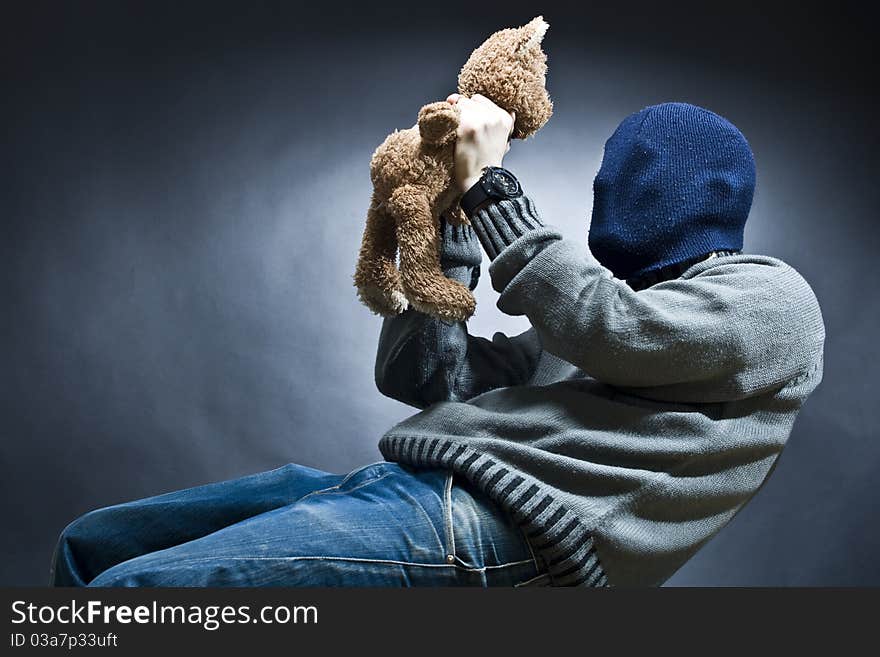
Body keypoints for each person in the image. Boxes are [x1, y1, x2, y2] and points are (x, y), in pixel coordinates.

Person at [50, 97, 825, 588]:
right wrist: (442, 232)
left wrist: (493, 190)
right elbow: (431, 382)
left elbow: (617, 331)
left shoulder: (769, 300)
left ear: (709, 194)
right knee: (93, 547)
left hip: (500, 531)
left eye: (636, 175)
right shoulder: (615, 315)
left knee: (140, 602)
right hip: (414, 486)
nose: (607, 196)